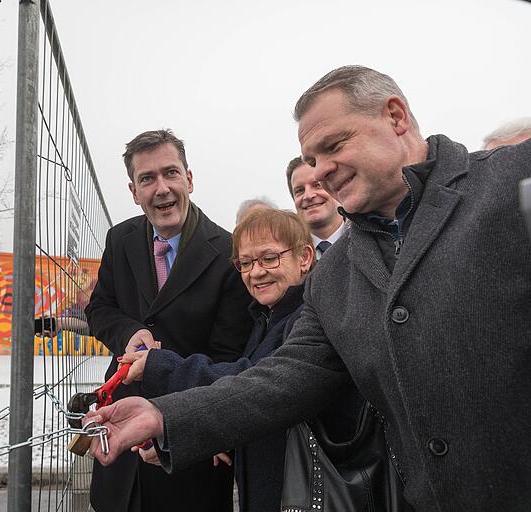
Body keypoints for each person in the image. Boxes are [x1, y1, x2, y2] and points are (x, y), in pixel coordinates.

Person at [85, 66, 531, 511]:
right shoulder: (335, 275)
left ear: (395, 117)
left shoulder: (510, 183)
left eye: (333, 146)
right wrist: (165, 417)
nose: (322, 172)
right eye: (312, 159)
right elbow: (280, 379)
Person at [119, 207, 363, 511]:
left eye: (269, 258)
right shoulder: (264, 320)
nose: (256, 272)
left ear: (304, 258)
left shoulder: (308, 320)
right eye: (245, 263)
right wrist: (211, 437)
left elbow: (257, 383)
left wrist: (161, 367)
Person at [84, 129, 253, 512]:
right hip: (120, 434)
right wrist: (129, 332)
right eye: (147, 179)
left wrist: (184, 425)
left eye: (170, 173)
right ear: (133, 190)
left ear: (189, 179)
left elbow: (227, 358)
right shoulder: (120, 239)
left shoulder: (228, 252)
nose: (161, 188)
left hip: (187, 443)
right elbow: (100, 309)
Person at [286, 156, 344, 258]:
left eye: (317, 185)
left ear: (336, 188)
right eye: (299, 190)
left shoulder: (371, 239)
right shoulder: (286, 256)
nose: (308, 196)